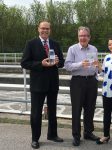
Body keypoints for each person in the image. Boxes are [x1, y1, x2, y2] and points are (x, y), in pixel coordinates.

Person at [21, 20, 64, 149]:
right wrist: (41, 64)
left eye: (47, 29)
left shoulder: (55, 44)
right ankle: (35, 138)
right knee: (36, 113)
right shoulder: (31, 44)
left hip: (52, 84)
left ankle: (52, 134)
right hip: (37, 85)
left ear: (50, 30)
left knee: (52, 110)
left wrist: (57, 62)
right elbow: (24, 63)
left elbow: (62, 62)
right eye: (43, 28)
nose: (45, 30)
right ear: (38, 29)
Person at [64, 26, 99, 146]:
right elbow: (67, 66)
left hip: (91, 81)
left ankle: (88, 132)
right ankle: (76, 135)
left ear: (89, 37)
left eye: (85, 36)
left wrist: (96, 71)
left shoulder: (94, 49)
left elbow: (95, 66)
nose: (82, 38)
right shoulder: (72, 49)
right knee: (77, 109)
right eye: (80, 36)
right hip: (77, 82)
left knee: (90, 108)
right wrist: (80, 64)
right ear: (78, 37)